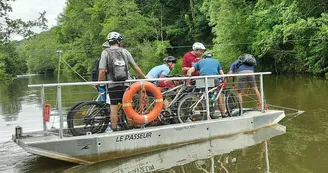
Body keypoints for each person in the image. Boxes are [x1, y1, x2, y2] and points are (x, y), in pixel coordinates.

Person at [97, 31, 147, 131]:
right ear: (118, 41)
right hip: (126, 84)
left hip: (112, 85)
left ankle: (114, 130)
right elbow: (135, 67)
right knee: (127, 107)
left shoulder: (105, 52)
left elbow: (102, 71)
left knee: (114, 108)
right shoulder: (125, 51)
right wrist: (144, 77)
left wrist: (99, 83)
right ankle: (131, 128)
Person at [186, 52, 226, 117]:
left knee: (201, 95)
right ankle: (223, 114)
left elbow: (189, 71)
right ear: (211, 57)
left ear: (204, 57)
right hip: (214, 78)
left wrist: (188, 83)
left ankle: (202, 114)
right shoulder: (216, 61)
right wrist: (224, 80)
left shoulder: (200, 62)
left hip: (202, 79)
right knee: (219, 96)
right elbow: (222, 73)